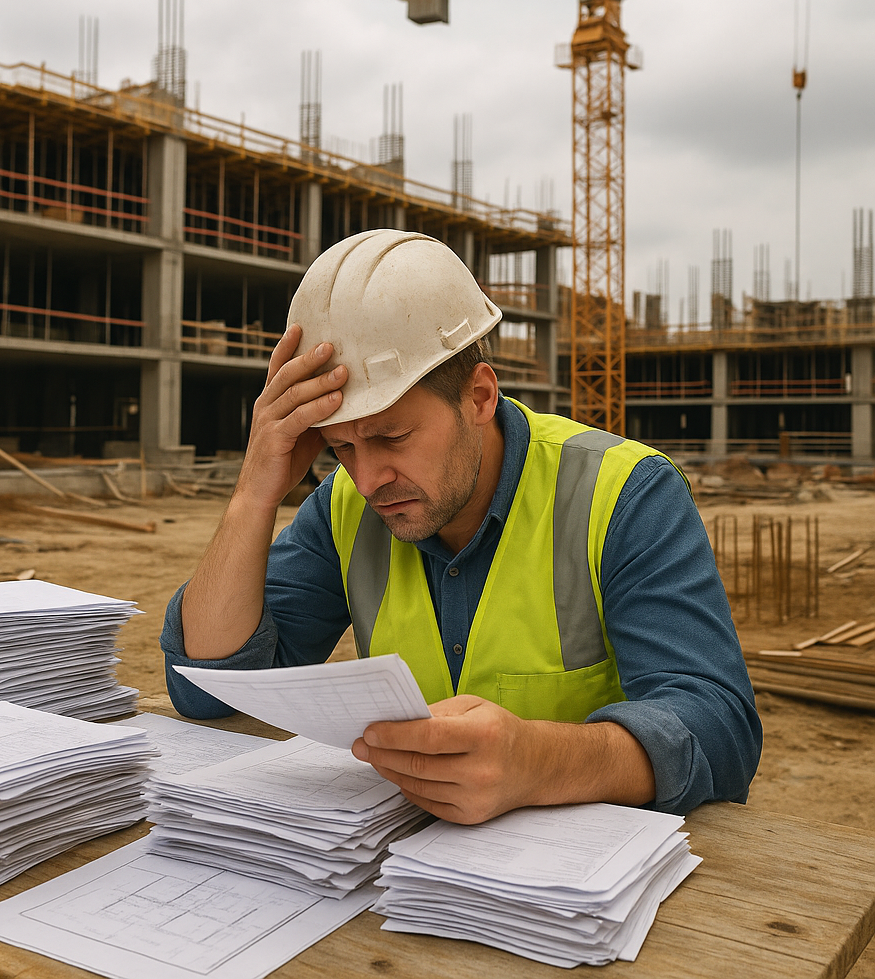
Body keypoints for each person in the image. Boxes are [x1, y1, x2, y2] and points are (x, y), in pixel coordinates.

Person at [160, 229, 762, 825]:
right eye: (341, 447)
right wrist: (254, 493)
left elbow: (720, 728)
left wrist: (539, 762)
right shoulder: (344, 505)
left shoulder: (623, 494)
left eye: (392, 436)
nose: (367, 481)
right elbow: (206, 689)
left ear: (479, 397)